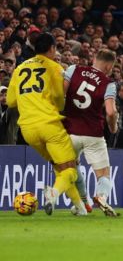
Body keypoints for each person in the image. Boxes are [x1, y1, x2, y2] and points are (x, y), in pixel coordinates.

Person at [6, 33, 86, 215]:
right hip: (50, 126)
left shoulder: (20, 68)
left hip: (28, 130)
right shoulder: (55, 68)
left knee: (60, 168)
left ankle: (80, 208)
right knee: (71, 170)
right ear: (52, 48)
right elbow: (59, 98)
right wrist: (59, 108)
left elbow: (10, 101)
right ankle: (53, 193)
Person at [63, 49, 119, 217]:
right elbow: (110, 112)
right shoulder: (108, 83)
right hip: (93, 133)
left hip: (69, 131)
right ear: (109, 66)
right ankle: (101, 196)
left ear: (95, 59)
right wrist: (113, 128)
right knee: (103, 173)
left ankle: (82, 204)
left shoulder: (73, 69)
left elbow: (60, 94)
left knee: (73, 166)